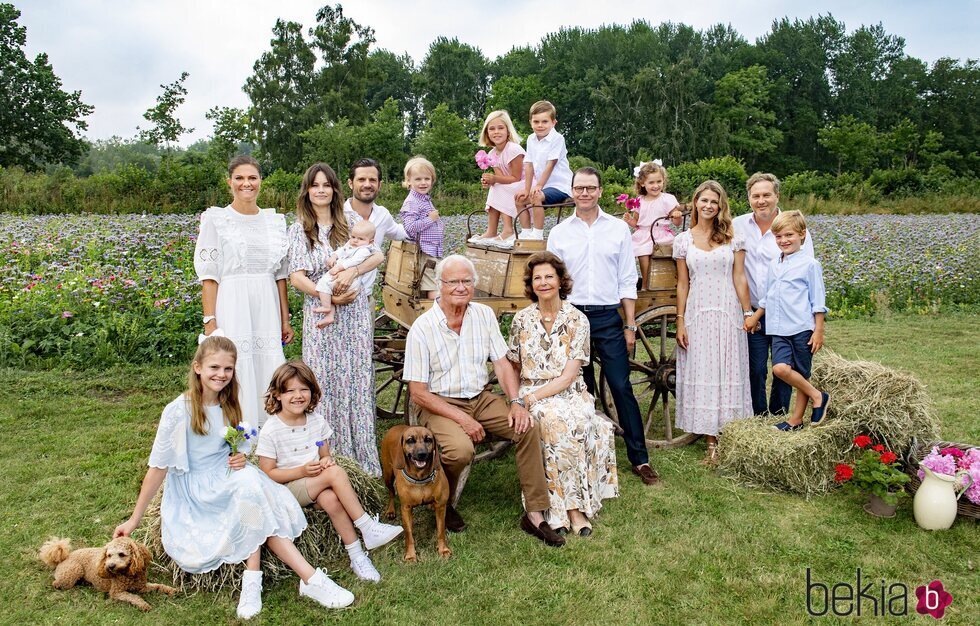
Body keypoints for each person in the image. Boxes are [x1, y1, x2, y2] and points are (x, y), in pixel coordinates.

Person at [113, 336, 354, 619]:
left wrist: (237, 455)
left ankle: (264, 579)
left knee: (250, 492)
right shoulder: (178, 411)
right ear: (197, 367)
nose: (221, 375)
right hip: (198, 487)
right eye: (214, 367)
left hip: (229, 474)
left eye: (228, 369)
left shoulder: (229, 404)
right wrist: (135, 518)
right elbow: (157, 468)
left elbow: (233, 445)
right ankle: (306, 579)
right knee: (250, 494)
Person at [403, 255, 565, 548]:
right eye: (453, 282)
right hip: (440, 403)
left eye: (467, 281)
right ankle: (442, 500)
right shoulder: (423, 328)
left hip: (480, 397)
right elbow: (418, 392)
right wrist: (463, 419)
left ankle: (535, 513)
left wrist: (516, 401)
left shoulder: (483, 315)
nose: (461, 287)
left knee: (527, 427)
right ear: (440, 285)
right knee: (460, 450)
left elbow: (502, 365)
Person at [547, 167, 660, 486]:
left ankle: (640, 459)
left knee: (621, 386)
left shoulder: (617, 230)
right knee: (580, 390)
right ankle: (584, 456)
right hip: (572, 317)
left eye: (590, 188)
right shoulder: (559, 233)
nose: (584, 193)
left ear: (599, 191)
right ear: (572, 192)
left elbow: (627, 279)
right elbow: (551, 282)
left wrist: (629, 324)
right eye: (579, 188)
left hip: (608, 316)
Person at [257, 361, 403, 582]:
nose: (298, 395)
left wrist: (326, 461)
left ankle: (357, 557)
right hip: (285, 490)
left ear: (312, 392)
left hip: (315, 485)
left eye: (304, 389)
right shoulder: (271, 429)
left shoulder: (316, 421)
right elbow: (268, 473)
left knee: (331, 499)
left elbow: (324, 453)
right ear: (277, 395)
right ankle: (366, 526)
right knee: (335, 474)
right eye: (290, 391)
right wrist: (302, 470)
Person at [507, 252, 619, 536]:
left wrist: (532, 399)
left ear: (560, 281)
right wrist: (523, 397)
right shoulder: (521, 320)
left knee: (575, 422)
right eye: (537, 278)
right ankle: (567, 510)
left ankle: (571, 509)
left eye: (549, 277)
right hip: (531, 388)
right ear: (531, 285)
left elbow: (569, 375)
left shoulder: (577, 319)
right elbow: (513, 363)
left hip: (569, 390)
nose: (543, 283)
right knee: (553, 423)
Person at [288, 163, 384, 477]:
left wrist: (353, 272)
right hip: (321, 316)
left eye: (326, 185)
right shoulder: (300, 228)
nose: (320, 190)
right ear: (307, 190)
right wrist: (325, 294)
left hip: (354, 317)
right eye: (314, 185)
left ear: (334, 189)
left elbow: (377, 256)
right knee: (323, 383)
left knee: (355, 382)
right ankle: (327, 460)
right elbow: (296, 277)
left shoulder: (353, 221)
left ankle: (362, 463)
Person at [194, 155, 291, 428]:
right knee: (236, 362)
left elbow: (280, 276)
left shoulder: (274, 222)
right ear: (229, 182)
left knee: (268, 362)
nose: (246, 183)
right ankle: (235, 429)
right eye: (239, 178)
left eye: (252, 178)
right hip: (232, 300)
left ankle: (269, 429)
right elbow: (209, 276)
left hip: (266, 302)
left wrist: (285, 319)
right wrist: (210, 321)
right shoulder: (217, 219)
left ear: (261, 181)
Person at [673, 180, 754, 465]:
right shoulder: (683, 240)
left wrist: (747, 313)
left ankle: (731, 435)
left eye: (713, 202)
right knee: (705, 369)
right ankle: (710, 443)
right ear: (695, 202)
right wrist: (680, 321)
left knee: (727, 368)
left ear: (721, 206)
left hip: (727, 310)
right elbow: (682, 284)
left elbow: (739, 277)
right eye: (703, 200)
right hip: (698, 311)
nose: (708, 206)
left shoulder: (734, 238)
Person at [733, 172, 816, 416]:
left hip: (786, 311)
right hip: (753, 309)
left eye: (766, 195)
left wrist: (814, 321)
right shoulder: (738, 225)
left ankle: (778, 411)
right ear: (748, 198)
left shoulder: (794, 228)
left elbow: (807, 272)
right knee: (756, 367)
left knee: (785, 366)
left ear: (776, 196)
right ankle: (758, 414)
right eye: (755, 196)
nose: (761, 201)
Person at [744, 211, 829, 431]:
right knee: (780, 369)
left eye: (789, 235)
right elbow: (768, 295)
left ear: (802, 235)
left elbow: (818, 300)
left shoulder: (810, 265)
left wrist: (818, 329)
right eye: (779, 237)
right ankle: (817, 395)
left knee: (801, 372)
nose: (784, 240)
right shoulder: (775, 264)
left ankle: (796, 419)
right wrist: (755, 316)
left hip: (801, 327)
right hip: (778, 328)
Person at [514, 100, 573, 240]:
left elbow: (550, 164)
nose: (540, 125)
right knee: (520, 199)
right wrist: (526, 189)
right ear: (530, 122)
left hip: (560, 186)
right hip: (544, 187)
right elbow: (528, 164)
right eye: (536, 122)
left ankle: (538, 234)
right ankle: (526, 232)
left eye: (545, 121)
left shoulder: (557, 138)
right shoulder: (531, 139)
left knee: (536, 196)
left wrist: (539, 186)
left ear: (553, 122)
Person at [469, 110, 526, 249]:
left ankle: (508, 230)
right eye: (492, 129)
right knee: (496, 187)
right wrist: (490, 180)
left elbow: (516, 177)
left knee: (500, 187)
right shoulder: (492, 153)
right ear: (487, 133)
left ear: (508, 131)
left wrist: (495, 179)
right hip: (511, 183)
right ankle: (491, 231)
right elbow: (501, 178)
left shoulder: (513, 149)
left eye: (501, 128)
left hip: (526, 183)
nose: (496, 132)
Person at [623, 161, 683, 289]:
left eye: (659, 182)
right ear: (642, 183)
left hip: (661, 234)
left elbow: (677, 224)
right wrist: (629, 220)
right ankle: (645, 285)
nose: (656, 186)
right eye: (651, 183)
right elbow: (636, 223)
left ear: (663, 181)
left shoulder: (667, 199)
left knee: (663, 256)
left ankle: (667, 282)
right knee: (643, 255)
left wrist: (677, 216)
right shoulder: (639, 200)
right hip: (644, 234)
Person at [314, 220, 378, 328]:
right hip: (342, 277)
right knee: (325, 286)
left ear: (371, 241)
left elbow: (355, 261)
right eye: (353, 237)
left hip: (351, 281)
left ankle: (326, 307)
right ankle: (330, 313)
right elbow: (342, 250)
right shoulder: (352, 244)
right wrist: (333, 256)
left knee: (323, 284)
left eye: (361, 239)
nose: (355, 241)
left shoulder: (365, 250)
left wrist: (339, 267)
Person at [399, 156, 444, 299]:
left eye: (427, 179)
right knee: (432, 284)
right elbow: (410, 227)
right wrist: (430, 219)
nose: (423, 183)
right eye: (418, 179)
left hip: (431, 250)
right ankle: (437, 313)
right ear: (408, 181)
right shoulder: (412, 202)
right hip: (424, 251)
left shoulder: (423, 199)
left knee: (436, 281)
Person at [344, 158, 408, 249]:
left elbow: (403, 233)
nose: (367, 185)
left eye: (372, 180)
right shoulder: (338, 214)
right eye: (361, 179)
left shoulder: (382, 215)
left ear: (379, 185)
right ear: (350, 184)